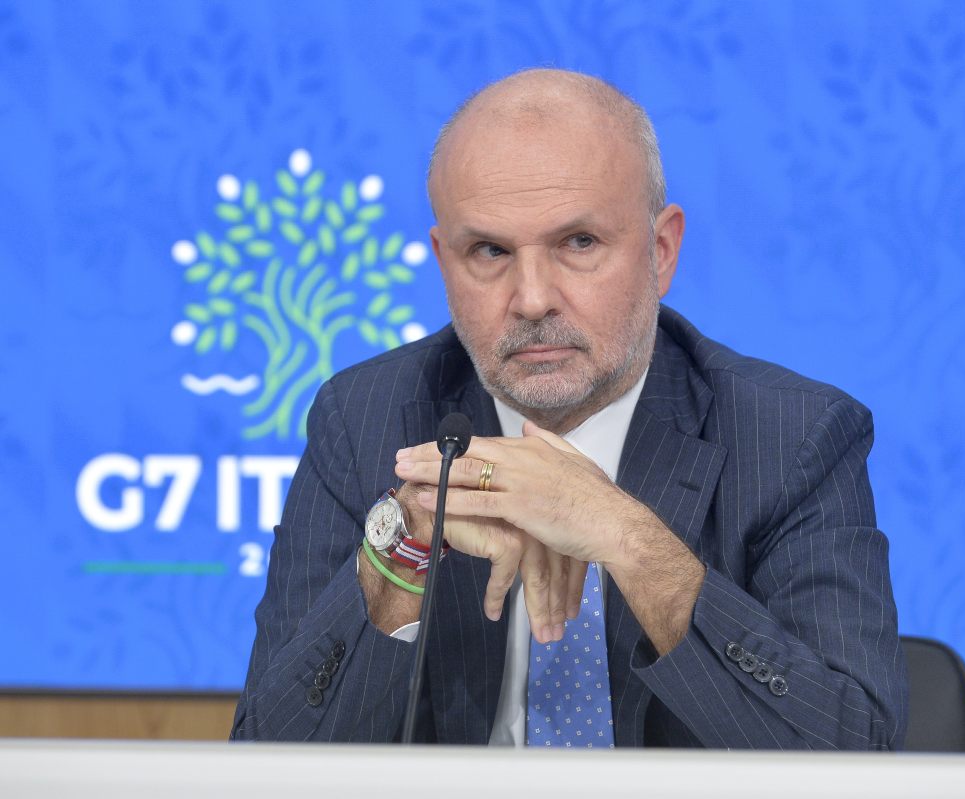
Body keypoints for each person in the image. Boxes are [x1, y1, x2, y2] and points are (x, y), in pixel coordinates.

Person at [231, 68, 906, 749]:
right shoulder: (367, 418)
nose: (532, 299)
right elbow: (265, 761)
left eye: (578, 243)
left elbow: (857, 757)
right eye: (489, 251)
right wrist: (401, 554)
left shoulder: (792, 436)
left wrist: (628, 538)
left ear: (662, 250)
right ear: (443, 262)